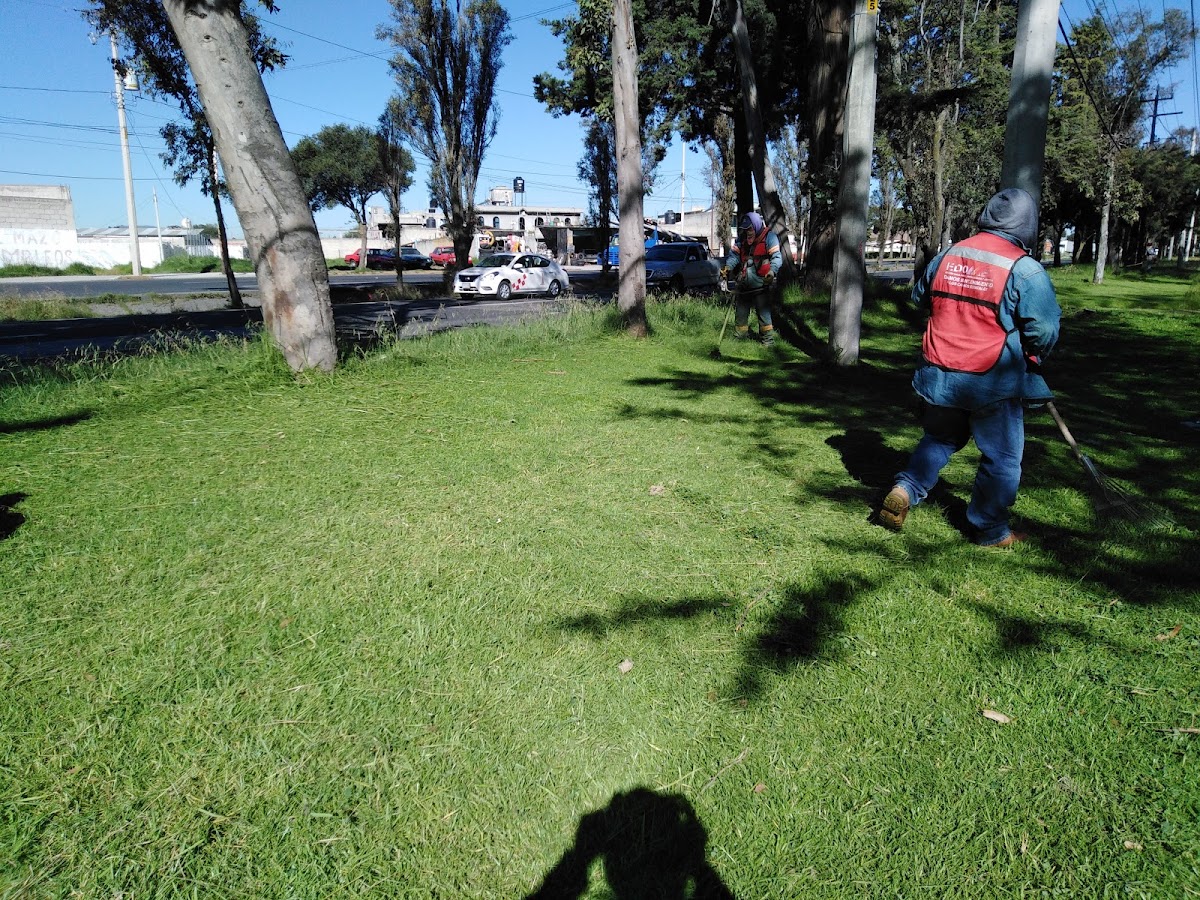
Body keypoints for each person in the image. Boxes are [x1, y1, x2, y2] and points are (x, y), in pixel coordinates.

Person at [877, 187, 1061, 548]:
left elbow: (919, 296)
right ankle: (990, 530)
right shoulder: (1025, 270)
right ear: (1028, 224)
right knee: (1002, 457)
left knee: (940, 438)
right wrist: (1033, 353)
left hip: (938, 373)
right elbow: (1044, 330)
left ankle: (905, 489)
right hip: (991, 381)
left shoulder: (949, 254)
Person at [722, 211, 783, 344]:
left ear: (756, 225)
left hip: (761, 284)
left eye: (750, 229)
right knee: (740, 314)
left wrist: (772, 272)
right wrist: (728, 267)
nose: (748, 232)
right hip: (743, 283)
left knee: (764, 315)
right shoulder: (741, 239)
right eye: (745, 229)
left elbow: (777, 258)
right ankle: (739, 339)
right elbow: (734, 256)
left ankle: (767, 341)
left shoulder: (770, 237)